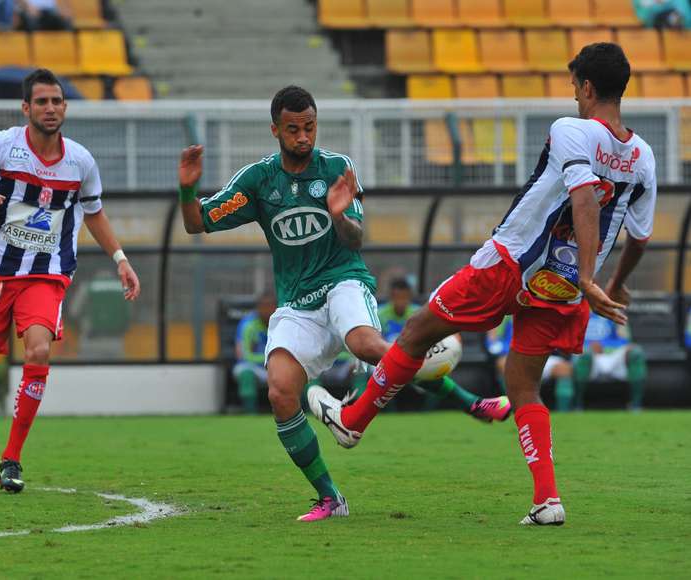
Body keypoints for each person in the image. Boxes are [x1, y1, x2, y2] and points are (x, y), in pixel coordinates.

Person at [309, 43, 656, 526]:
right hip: (563, 287)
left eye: (575, 86)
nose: (574, 95)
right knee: (523, 386)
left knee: (415, 332)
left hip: (509, 265)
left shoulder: (571, 130)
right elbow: (639, 237)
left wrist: (596, 278)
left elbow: (584, 200)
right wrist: (608, 284)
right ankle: (547, 501)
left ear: (589, 87)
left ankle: (352, 422)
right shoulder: (643, 157)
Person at [179, 86, 501, 522]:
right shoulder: (258, 181)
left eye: (309, 127)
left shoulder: (336, 169)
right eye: (293, 129)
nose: (303, 137)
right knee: (279, 391)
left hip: (342, 281)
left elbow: (357, 239)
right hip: (296, 303)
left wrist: (337, 214)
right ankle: (331, 498)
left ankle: (469, 401)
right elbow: (196, 223)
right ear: (275, 129)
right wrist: (187, 189)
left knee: (368, 344)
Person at [0, 68, 140, 493]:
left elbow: (94, 211)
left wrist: (120, 258)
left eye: (57, 101)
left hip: (46, 275)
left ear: (64, 107)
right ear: (26, 108)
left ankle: (11, 459)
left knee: (37, 351)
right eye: (43, 102)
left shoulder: (80, 161)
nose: (51, 108)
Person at [380, 277, 511, 419]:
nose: (401, 302)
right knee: (375, 356)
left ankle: (437, 411)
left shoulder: (417, 313)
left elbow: (439, 328)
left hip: (411, 358)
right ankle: (471, 403)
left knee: (419, 366)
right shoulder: (380, 314)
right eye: (397, 298)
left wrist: (454, 335)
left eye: (404, 297)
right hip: (380, 360)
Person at [487, 316, 575, 411]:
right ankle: (511, 408)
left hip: (541, 356)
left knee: (564, 369)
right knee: (503, 364)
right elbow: (493, 344)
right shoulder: (505, 317)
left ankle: (565, 411)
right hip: (513, 356)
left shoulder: (543, 311)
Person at [573, 311, 646, 411]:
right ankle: (577, 405)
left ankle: (636, 405)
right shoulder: (577, 310)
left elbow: (625, 339)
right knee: (584, 355)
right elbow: (571, 338)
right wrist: (588, 345)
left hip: (613, 353)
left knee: (636, 352)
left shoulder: (615, 312)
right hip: (586, 353)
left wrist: (604, 346)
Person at [232, 292, 277, 413]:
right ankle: (250, 413)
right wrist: (269, 360)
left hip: (278, 368)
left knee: (298, 371)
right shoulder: (248, 324)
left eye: (270, 306)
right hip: (255, 368)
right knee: (244, 370)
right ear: (258, 308)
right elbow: (243, 354)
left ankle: (301, 413)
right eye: (264, 306)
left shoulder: (283, 322)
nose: (267, 310)